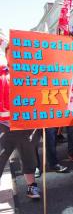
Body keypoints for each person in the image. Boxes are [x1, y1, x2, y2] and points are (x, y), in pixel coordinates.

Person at [0, 54, 41, 199]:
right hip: (5, 126)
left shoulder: (31, 73)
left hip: (27, 127)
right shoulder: (1, 73)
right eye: (12, 52)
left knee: (29, 159)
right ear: (7, 55)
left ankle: (32, 188)